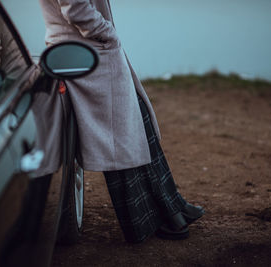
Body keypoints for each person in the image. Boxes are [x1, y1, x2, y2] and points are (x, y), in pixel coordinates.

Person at [38, 0, 205, 243]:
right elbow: (75, 9)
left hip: (90, 51)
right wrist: (107, 33)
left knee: (135, 128)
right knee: (121, 142)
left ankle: (172, 205)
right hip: (86, 54)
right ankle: (158, 219)